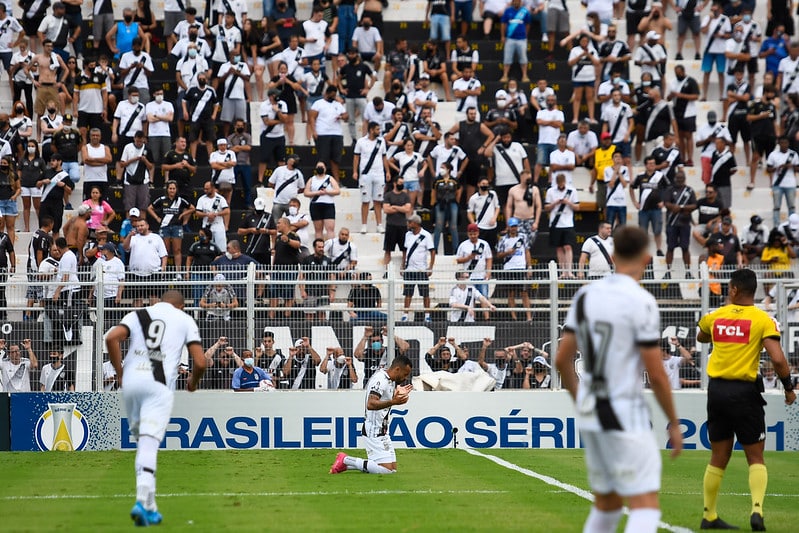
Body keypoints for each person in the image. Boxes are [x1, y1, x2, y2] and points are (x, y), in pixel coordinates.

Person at [556, 225, 682, 533]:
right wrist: (674, 422)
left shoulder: (585, 296)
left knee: (608, 503)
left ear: (612, 256)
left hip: (592, 409)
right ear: (647, 258)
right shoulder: (641, 301)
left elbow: (561, 359)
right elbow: (656, 373)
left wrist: (580, 400)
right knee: (645, 506)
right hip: (623, 409)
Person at [696, 268, 796, 531]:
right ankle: (757, 512)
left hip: (716, 391)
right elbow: (777, 359)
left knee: (718, 456)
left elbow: (701, 335)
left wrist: (720, 335)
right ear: (754, 291)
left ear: (733, 290)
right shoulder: (763, 320)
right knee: (755, 457)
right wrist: (789, 387)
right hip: (744, 393)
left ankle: (709, 516)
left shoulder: (716, 316)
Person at [106, 290, 206, 527]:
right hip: (158, 385)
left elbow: (111, 338)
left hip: (131, 383)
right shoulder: (184, 319)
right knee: (150, 442)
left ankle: (150, 507)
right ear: (180, 306)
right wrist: (192, 382)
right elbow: (200, 362)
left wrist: (120, 373)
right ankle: (141, 499)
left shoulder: (137, 313)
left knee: (143, 443)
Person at [329, 354, 413, 474]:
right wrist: (394, 401)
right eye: (405, 374)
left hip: (382, 429)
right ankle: (346, 459)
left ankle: (345, 465)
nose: (405, 378)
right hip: (374, 429)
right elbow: (371, 404)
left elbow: (382, 401)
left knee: (392, 469)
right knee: (386, 470)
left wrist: (394, 397)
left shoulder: (389, 381)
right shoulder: (381, 380)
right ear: (397, 369)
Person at [147, 181, 194, 277]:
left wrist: (182, 214)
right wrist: (157, 218)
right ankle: (163, 271)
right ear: (167, 189)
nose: (172, 190)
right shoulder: (161, 199)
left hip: (177, 226)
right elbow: (149, 208)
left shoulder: (181, 200)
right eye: (170, 188)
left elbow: (192, 208)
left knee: (177, 250)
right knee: (165, 250)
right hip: (165, 226)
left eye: (174, 188)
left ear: (176, 190)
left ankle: (178, 273)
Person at [353, 120, 389, 233]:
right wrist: (355, 172)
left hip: (379, 173)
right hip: (365, 174)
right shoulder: (361, 142)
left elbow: (384, 157)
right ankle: (364, 224)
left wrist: (387, 171)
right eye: (377, 129)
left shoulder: (381, 141)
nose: (379, 131)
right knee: (365, 201)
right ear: (371, 130)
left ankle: (379, 224)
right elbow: (356, 157)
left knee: (378, 200)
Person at [124, 218, 168, 308]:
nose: (140, 228)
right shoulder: (134, 238)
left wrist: (163, 269)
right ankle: (137, 320)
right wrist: (129, 236)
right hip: (136, 273)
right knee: (137, 298)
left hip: (154, 272)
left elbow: (164, 255)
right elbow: (125, 247)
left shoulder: (156, 237)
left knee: (154, 298)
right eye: (138, 226)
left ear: (147, 226)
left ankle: (154, 319)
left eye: (142, 225)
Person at [495, 217, 532, 321]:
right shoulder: (503, 239)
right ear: (508, 227)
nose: (514, 228)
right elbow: (498, 255)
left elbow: (527, 251)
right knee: (511, 293)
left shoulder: (523, 237)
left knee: (524, 292)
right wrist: (508, 252)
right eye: (512, 226)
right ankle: (514, 317)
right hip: (509, 268)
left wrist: (529, 267)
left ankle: (529, 317)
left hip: (521, 267)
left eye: (515, 226)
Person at [663, 171, 698, 278]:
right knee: (670, 248)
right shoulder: (670, 189)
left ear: (685, 178)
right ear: (675, 178)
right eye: (678, 178)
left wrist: (681, 208)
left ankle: (687, 272)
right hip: (672, 223)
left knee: (685, 248)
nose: (679, 180)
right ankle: (668, 272)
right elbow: (666, 203)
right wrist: (673, 207)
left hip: (684, 223)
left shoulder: (690, 190)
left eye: (681, 178)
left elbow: (694, 205)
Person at [401, 214, 435, 322]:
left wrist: (430, 267)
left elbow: (432, 251)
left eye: (410, 222)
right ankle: (405, 315)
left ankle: (427, 315)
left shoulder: (426, 235)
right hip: (409, 269)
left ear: (415, 223)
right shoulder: (408, 235)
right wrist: (403, 264)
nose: (408, 224)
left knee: (425, 293)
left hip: (421, 269)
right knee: (408, 293)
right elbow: (405, 250)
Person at [545, 174, 580, 278]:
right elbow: (546, 207)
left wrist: (567, 202)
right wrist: (555, 203)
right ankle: (563, 272)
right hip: (555, 223)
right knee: (559, 248)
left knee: (568, 246)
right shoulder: (551, 191)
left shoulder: (572, 191)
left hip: (568, 222)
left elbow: (577, 207)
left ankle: (569, 271)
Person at [766, 136, 799, 228]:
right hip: (777, 184)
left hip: (791, 184)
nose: (784, 145)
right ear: (779, 143)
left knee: (791, 206)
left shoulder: (794, 154)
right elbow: (768, 169)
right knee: (776, 206)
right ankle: (776, 226)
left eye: (786, 143)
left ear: (788, 143)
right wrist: (777, 168)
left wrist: (791, 166)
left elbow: (798, 168)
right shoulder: (773, 154)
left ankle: (792, 225)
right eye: (782, 143)